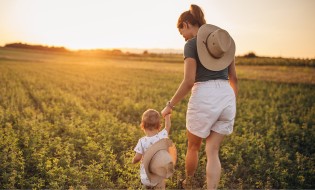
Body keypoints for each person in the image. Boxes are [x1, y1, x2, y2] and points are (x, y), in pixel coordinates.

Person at [161, 4, 238, 190]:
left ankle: (190, 183)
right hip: (227, 97)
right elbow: (233, 78)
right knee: (213, 151)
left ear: (187, 24)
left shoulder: (191, 45)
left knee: (193, 147)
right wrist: (229, 101)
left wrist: (170, 105)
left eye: (182, 33)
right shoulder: (222, 43)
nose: (184, 37)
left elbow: (189, 81)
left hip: (205, 95)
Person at [132, 109, 175, 189]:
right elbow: (168, 126)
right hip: (159, 173)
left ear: (142, 126)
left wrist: (133, 161)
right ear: (159, 126)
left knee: (147, 185)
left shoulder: (142, 141)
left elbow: (137, 157)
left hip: (146, 176)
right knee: (161, 181)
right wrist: (167, 116)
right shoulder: (163, 136)